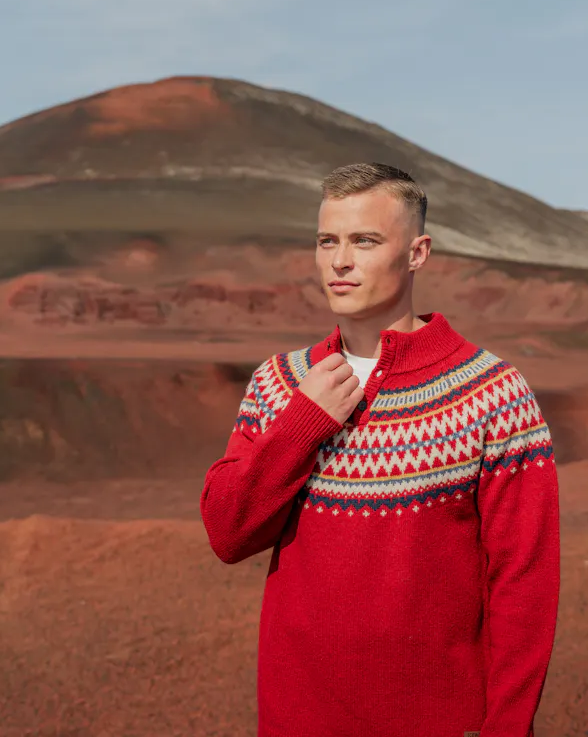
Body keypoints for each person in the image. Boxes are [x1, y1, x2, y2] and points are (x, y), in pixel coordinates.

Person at [200, 162, 560, 737]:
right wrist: (302, 424)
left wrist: (507, 728)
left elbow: (524, 582)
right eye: (327, 242)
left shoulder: (494, 392)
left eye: (365, 241)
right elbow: (227, 532)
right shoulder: (280, 381)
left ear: (417, 253)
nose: (340, 261)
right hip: (297, 720)